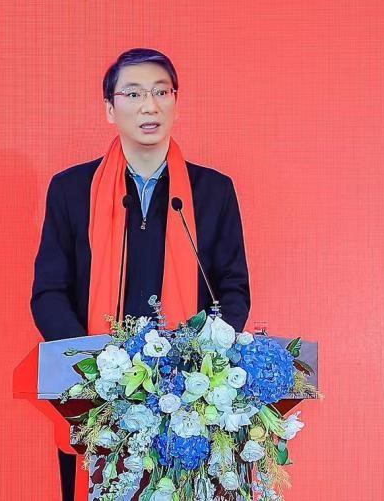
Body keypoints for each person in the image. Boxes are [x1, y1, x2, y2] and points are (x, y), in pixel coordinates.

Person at [30, 47, 252, 501]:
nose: (149, 105)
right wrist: (93, 368)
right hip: (97, 397)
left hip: (190, 399)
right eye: (133, 94)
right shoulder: (72, 190)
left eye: (160, 92)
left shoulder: (212, 192)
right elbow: (49, 292)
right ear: (110, 109)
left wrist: (199, 362)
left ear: (175, 102)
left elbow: (232, 290)